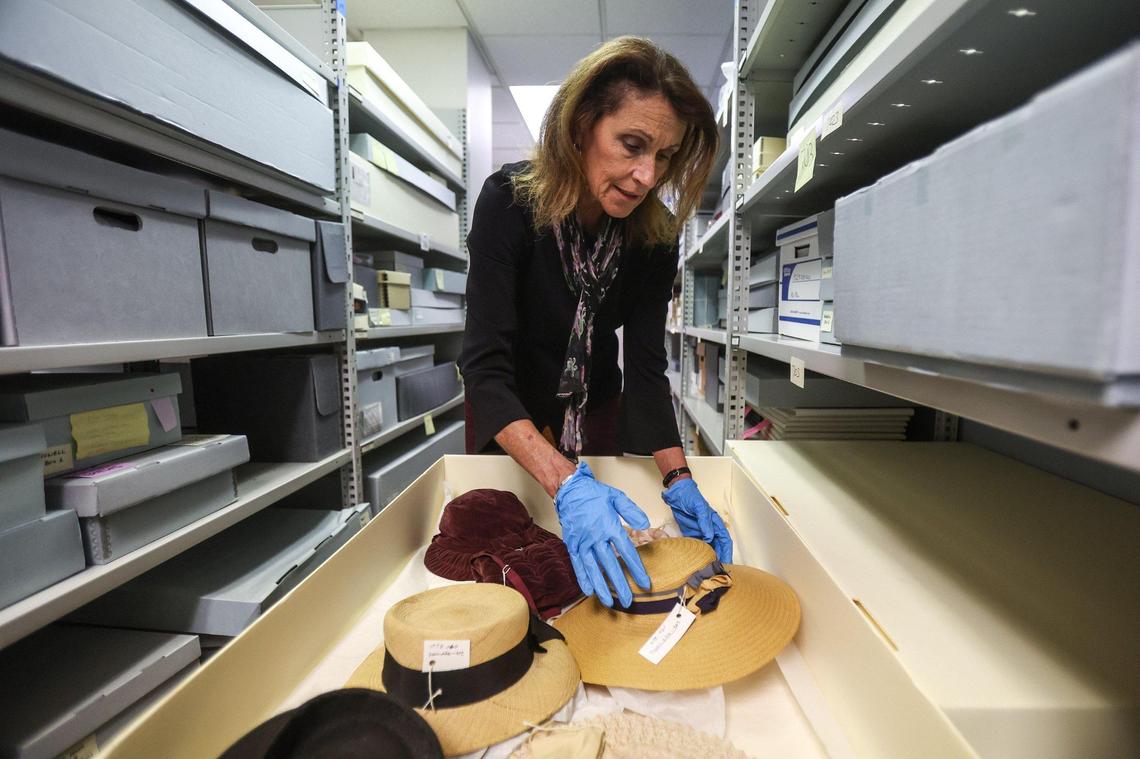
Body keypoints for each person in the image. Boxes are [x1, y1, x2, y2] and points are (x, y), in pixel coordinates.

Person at [459, 36, 731, 609]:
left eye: (664, 157)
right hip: (513, 418)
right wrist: (562, 481)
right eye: (631, 145)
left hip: (596, 412)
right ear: (582, 125)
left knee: (607, 574)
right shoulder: (508, 203)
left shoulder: (653, 235)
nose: (645, 176)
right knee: (515, 565)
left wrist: (679, 480)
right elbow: (483, 368)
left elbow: (648, 369)